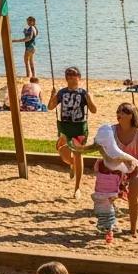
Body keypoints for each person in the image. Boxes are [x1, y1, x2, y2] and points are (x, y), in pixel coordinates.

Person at [69, 112, 138, 237]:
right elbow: (94, 147)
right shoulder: (111, 131)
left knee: (131, 200)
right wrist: (76, 146)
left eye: (122, 113)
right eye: (118, 112)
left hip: (130, 170)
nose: (118, 115)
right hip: (112, 173)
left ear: (130, 116)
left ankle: (131, 229)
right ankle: (109, 227)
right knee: (106, 200)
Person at [49, 66, 97, 197]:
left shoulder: (83, 93)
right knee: (62, 152)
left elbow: (94, 110)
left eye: (73, 75)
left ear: (79, 77)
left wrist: (90, 99)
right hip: (64, 127)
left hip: (79, 127)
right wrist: (52, 96)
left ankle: (77, 188)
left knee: (77, 154)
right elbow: (50, 107)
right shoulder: (61, 92)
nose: (71, 77)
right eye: (68, 75)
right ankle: (72, 165)